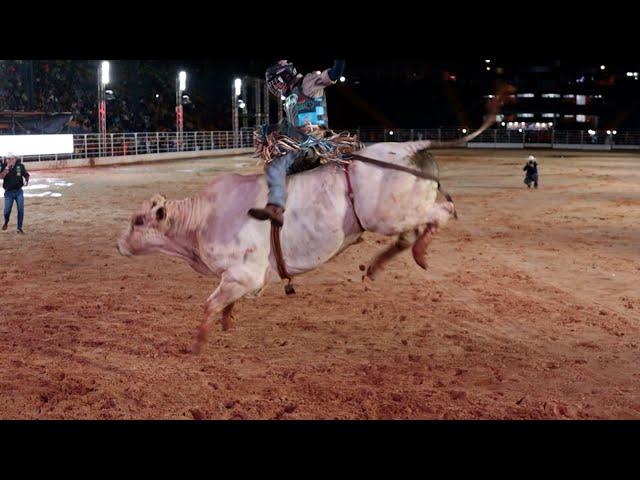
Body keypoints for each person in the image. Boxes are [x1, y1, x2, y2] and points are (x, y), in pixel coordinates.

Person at [248, 59, 346, 227]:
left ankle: (275, 207)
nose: (275, 87)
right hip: (302, 144)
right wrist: (271, 130)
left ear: (284, 75)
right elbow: (288, 126)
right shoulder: (291, 98)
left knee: (275, 166)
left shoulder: (308, 83)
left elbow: (334, 74)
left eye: (276, 82)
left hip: (313, 144)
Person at [1, 154, 30, 233]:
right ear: (6, 159)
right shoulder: (4, 166)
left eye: (12, 158)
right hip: (8, 193)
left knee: (20, 209)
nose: (11, 160)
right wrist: (7, 168)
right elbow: (1, 176)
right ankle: (6, 222)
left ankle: (19, 228)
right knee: (7, 211)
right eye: (9, 159)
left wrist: (26, 180)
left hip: (18, 192)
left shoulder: (20, 166)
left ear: (15, 159)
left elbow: (26, 174)